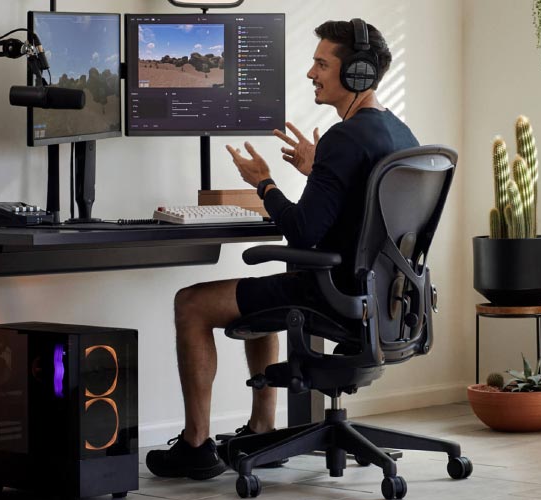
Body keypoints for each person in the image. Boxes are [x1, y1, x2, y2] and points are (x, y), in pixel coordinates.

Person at [145, 19, 419, 480]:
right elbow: (363, 213)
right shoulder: (401, 134)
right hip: (382, 299)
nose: (311, 73)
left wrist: (264, 183)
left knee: (190, 303)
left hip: (329, 294)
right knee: (264, 292)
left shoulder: (344, 138)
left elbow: (303, 233)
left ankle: (195, 446)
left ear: (357, 73)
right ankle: (263, 429)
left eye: (321, 64)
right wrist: (318, 172)